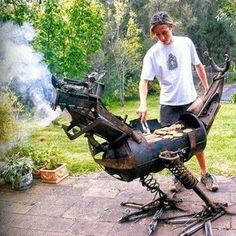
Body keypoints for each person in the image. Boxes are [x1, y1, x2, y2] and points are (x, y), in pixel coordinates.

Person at [137, 11, 219, 192]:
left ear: (171, 27)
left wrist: (206, 90)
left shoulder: (185, 43)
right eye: (157, 34)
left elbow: (198, 65)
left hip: (190, 102)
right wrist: (142, 103)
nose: (161, 37)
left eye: (164, 32)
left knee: (196, 141)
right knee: (171, 144)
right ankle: (179, 176)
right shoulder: (152, 53)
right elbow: (144, 80)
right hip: (168, 105)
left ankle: (204, 174)